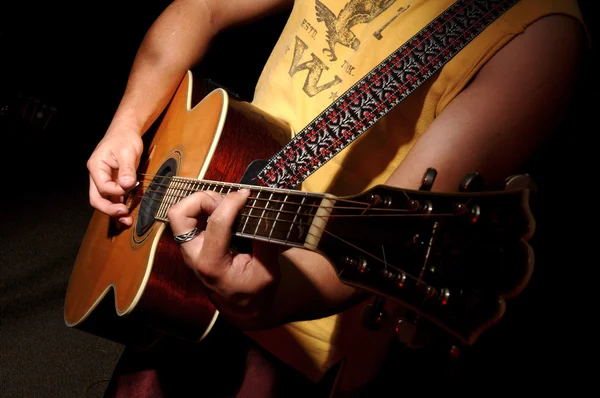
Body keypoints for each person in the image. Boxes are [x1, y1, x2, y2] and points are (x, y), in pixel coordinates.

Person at [85, 0, 588, 396]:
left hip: (300, 345)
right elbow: (202, 7)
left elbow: (402, 236)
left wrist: (262, 302)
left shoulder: (539, 38)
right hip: (172, 267)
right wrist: (127, 124)